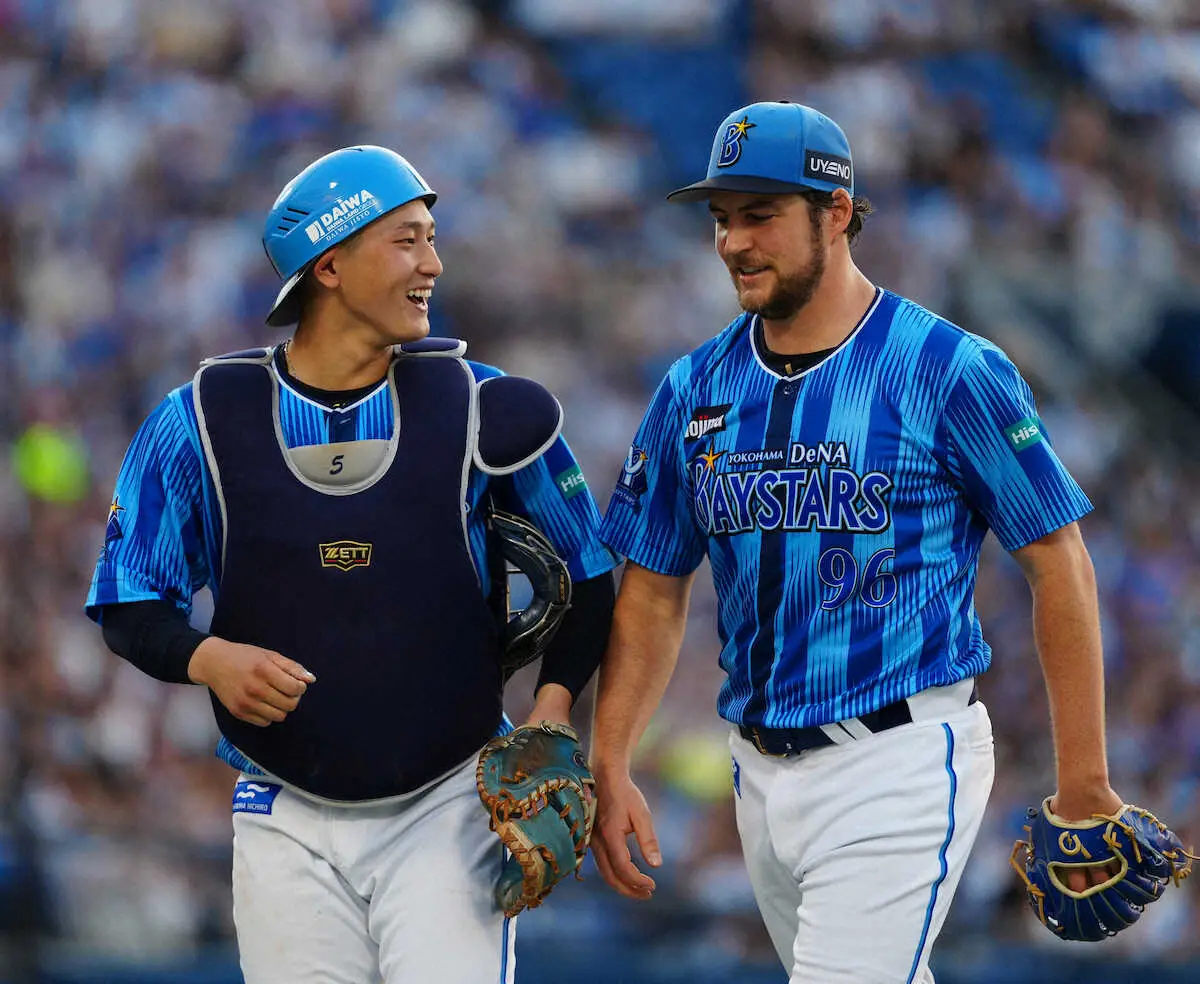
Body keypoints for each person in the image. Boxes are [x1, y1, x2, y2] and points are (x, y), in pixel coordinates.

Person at [589, 102, 1128, 983]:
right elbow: (652, 586)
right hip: (756, 771)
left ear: (836, 213)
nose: (732, 242)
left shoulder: (948, 368)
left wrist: (1083, 780)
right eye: (722, 219)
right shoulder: (694, 386)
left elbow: (1056, 559)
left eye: (760, 214)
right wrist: (610, 758)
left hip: (902, 755)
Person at [85, 144, 618, 984]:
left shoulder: (488, 405)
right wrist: (207, 657)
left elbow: (589, 580)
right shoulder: (197, 421)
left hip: (449, 802)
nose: (433, 264)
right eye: (408, 240)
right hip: (280, 809)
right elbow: (126, 602)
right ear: (328, 264)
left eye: (432, 239)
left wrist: (550, 716)